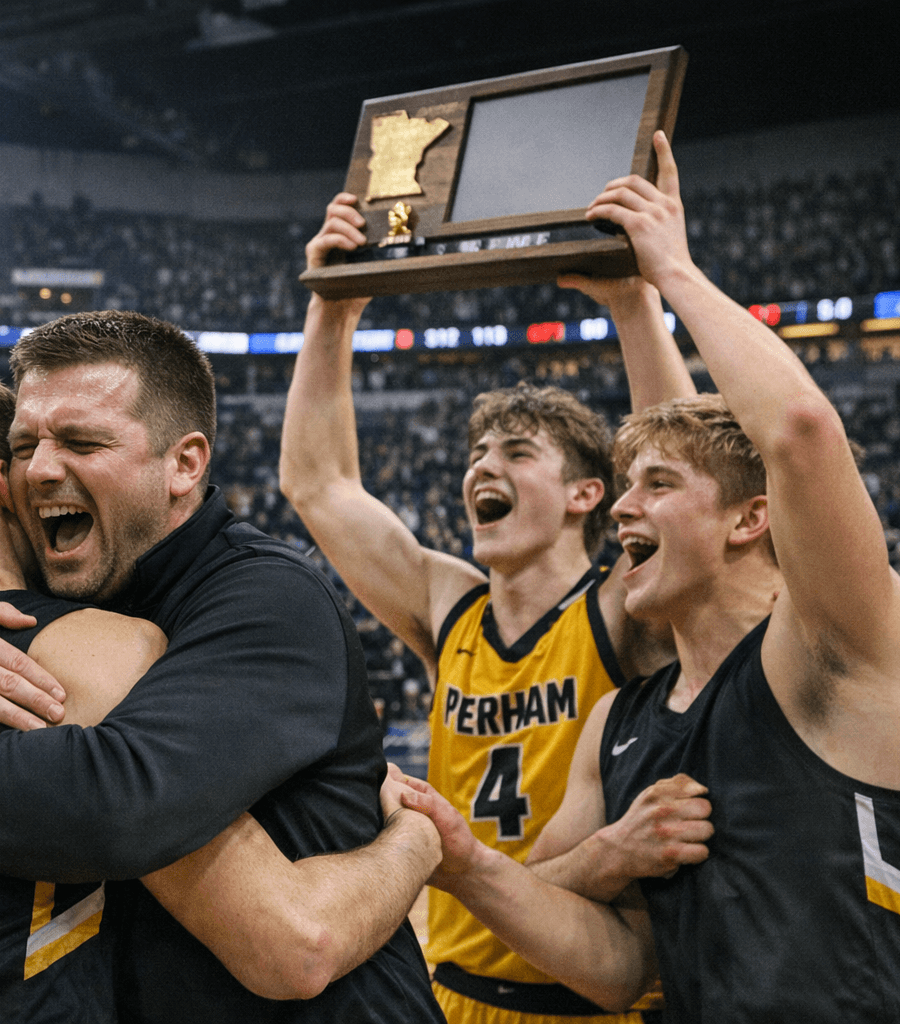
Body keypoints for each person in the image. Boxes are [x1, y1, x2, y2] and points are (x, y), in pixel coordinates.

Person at [0, 312, 446, 1021]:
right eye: (24, 447)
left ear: (185, 464)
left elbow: (124, 800)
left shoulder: (263, 597)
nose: (41, 470)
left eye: (82, 443)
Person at [396, 131, 900, 1022]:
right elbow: (613, 967)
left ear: (752, 518)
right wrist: (476, 864)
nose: (619, 510)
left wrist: (669, 272)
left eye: (656, 488)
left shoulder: (831, 647)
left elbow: (794, 433)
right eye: (623, 486)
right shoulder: (623, 718)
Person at [279, 190, 689, 1022]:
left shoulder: (617, 609)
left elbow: (686, 467)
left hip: (590, 990)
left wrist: (633, 303)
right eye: (475, 453)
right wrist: (335, 306)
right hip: (452, 990)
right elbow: (318, 484)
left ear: (586, 493)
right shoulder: (448, 605)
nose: (480, 467)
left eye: (515, 451)